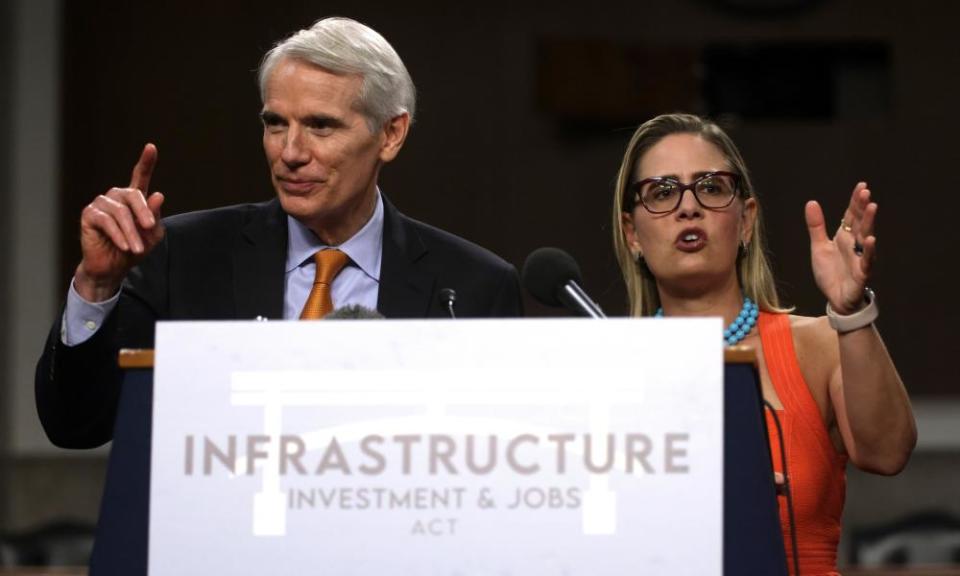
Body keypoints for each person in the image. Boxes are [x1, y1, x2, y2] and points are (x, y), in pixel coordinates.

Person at [36, 17, 522, 450]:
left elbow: (497, 459)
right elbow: (77, 426)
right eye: (275, 124)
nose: (290, 152)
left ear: (391, 134)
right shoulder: (181, 256)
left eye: (320, 126)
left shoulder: (475, 287)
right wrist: (96, 288)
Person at [612, 113, 916, 575]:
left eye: (711, 187)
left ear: (746, 221)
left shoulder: (816, 345)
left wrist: (852, 314)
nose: (687, 208)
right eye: (663, 192)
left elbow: (888, 453)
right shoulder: (606, 369)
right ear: (633, 234)